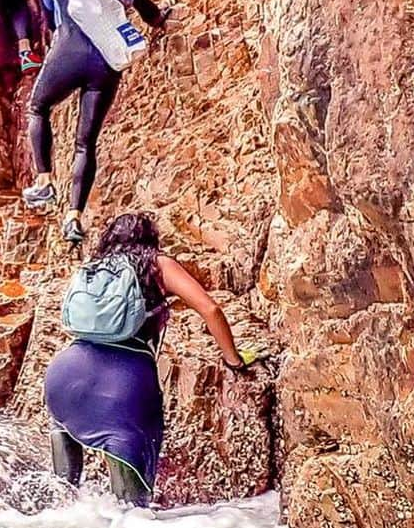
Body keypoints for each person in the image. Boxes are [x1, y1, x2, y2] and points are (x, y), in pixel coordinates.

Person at [45, 212, 256, 506]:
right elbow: (210, 310)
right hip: (123, 385)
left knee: (63, 502)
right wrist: (233, 360)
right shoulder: (156, 265)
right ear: (150, 239)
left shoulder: (93, 269)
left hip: (63, 376)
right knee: (132, 515)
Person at [22, 0, 165, 243]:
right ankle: (74, 217)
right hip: (105, 61)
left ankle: (44, 181)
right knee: (85, 143)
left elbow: (51, 24)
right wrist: (161, 21)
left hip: (67, 54)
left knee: (38, 107)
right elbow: (147, 10)